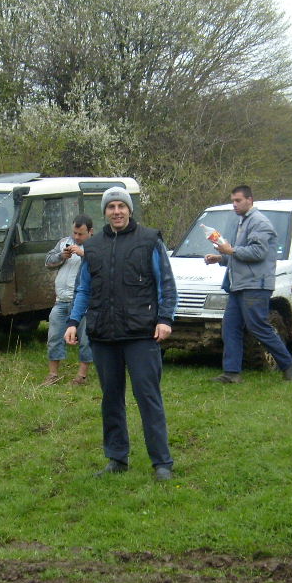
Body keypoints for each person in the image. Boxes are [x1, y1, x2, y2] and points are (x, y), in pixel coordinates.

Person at [65, 187, 177, 481]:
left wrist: (165, 319)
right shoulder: (94, 246)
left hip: (141, 334)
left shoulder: (149, 240)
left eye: (121, 206)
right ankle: (117, 458)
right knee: (111, 398)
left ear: (129, 210)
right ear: (104, 212)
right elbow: (84, 289)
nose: (116, 211)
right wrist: (73, 321)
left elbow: (166, 284)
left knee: (148, 397)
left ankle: (162, 462)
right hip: (104, 335)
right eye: (111, 207)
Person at [204, 185, 292, 383]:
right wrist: (220, 258)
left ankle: (289, 364)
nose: (234, 204)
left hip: (255, 285)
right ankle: (231, 373)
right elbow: (239, 253)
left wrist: (230, 251)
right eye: (233, 201)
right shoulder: (242, 222)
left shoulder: (259, 222)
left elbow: (258, 252)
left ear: (250, 200)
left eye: (238, 200)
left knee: (258, 327)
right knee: (230, 327)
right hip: (238, 285)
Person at [43, 214, 95, 386]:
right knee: (54, 336)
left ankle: (82, 376)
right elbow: (48, 261)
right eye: (74, 233)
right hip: (61, 299)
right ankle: (53, 374)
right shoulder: (64, 242)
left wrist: (84, 254)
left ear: (90, 232)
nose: (76, 237)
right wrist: (61, 255)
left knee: (85, 338)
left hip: (82, 301)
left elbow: (101, 265)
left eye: (81, 234)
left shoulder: (96, 246)